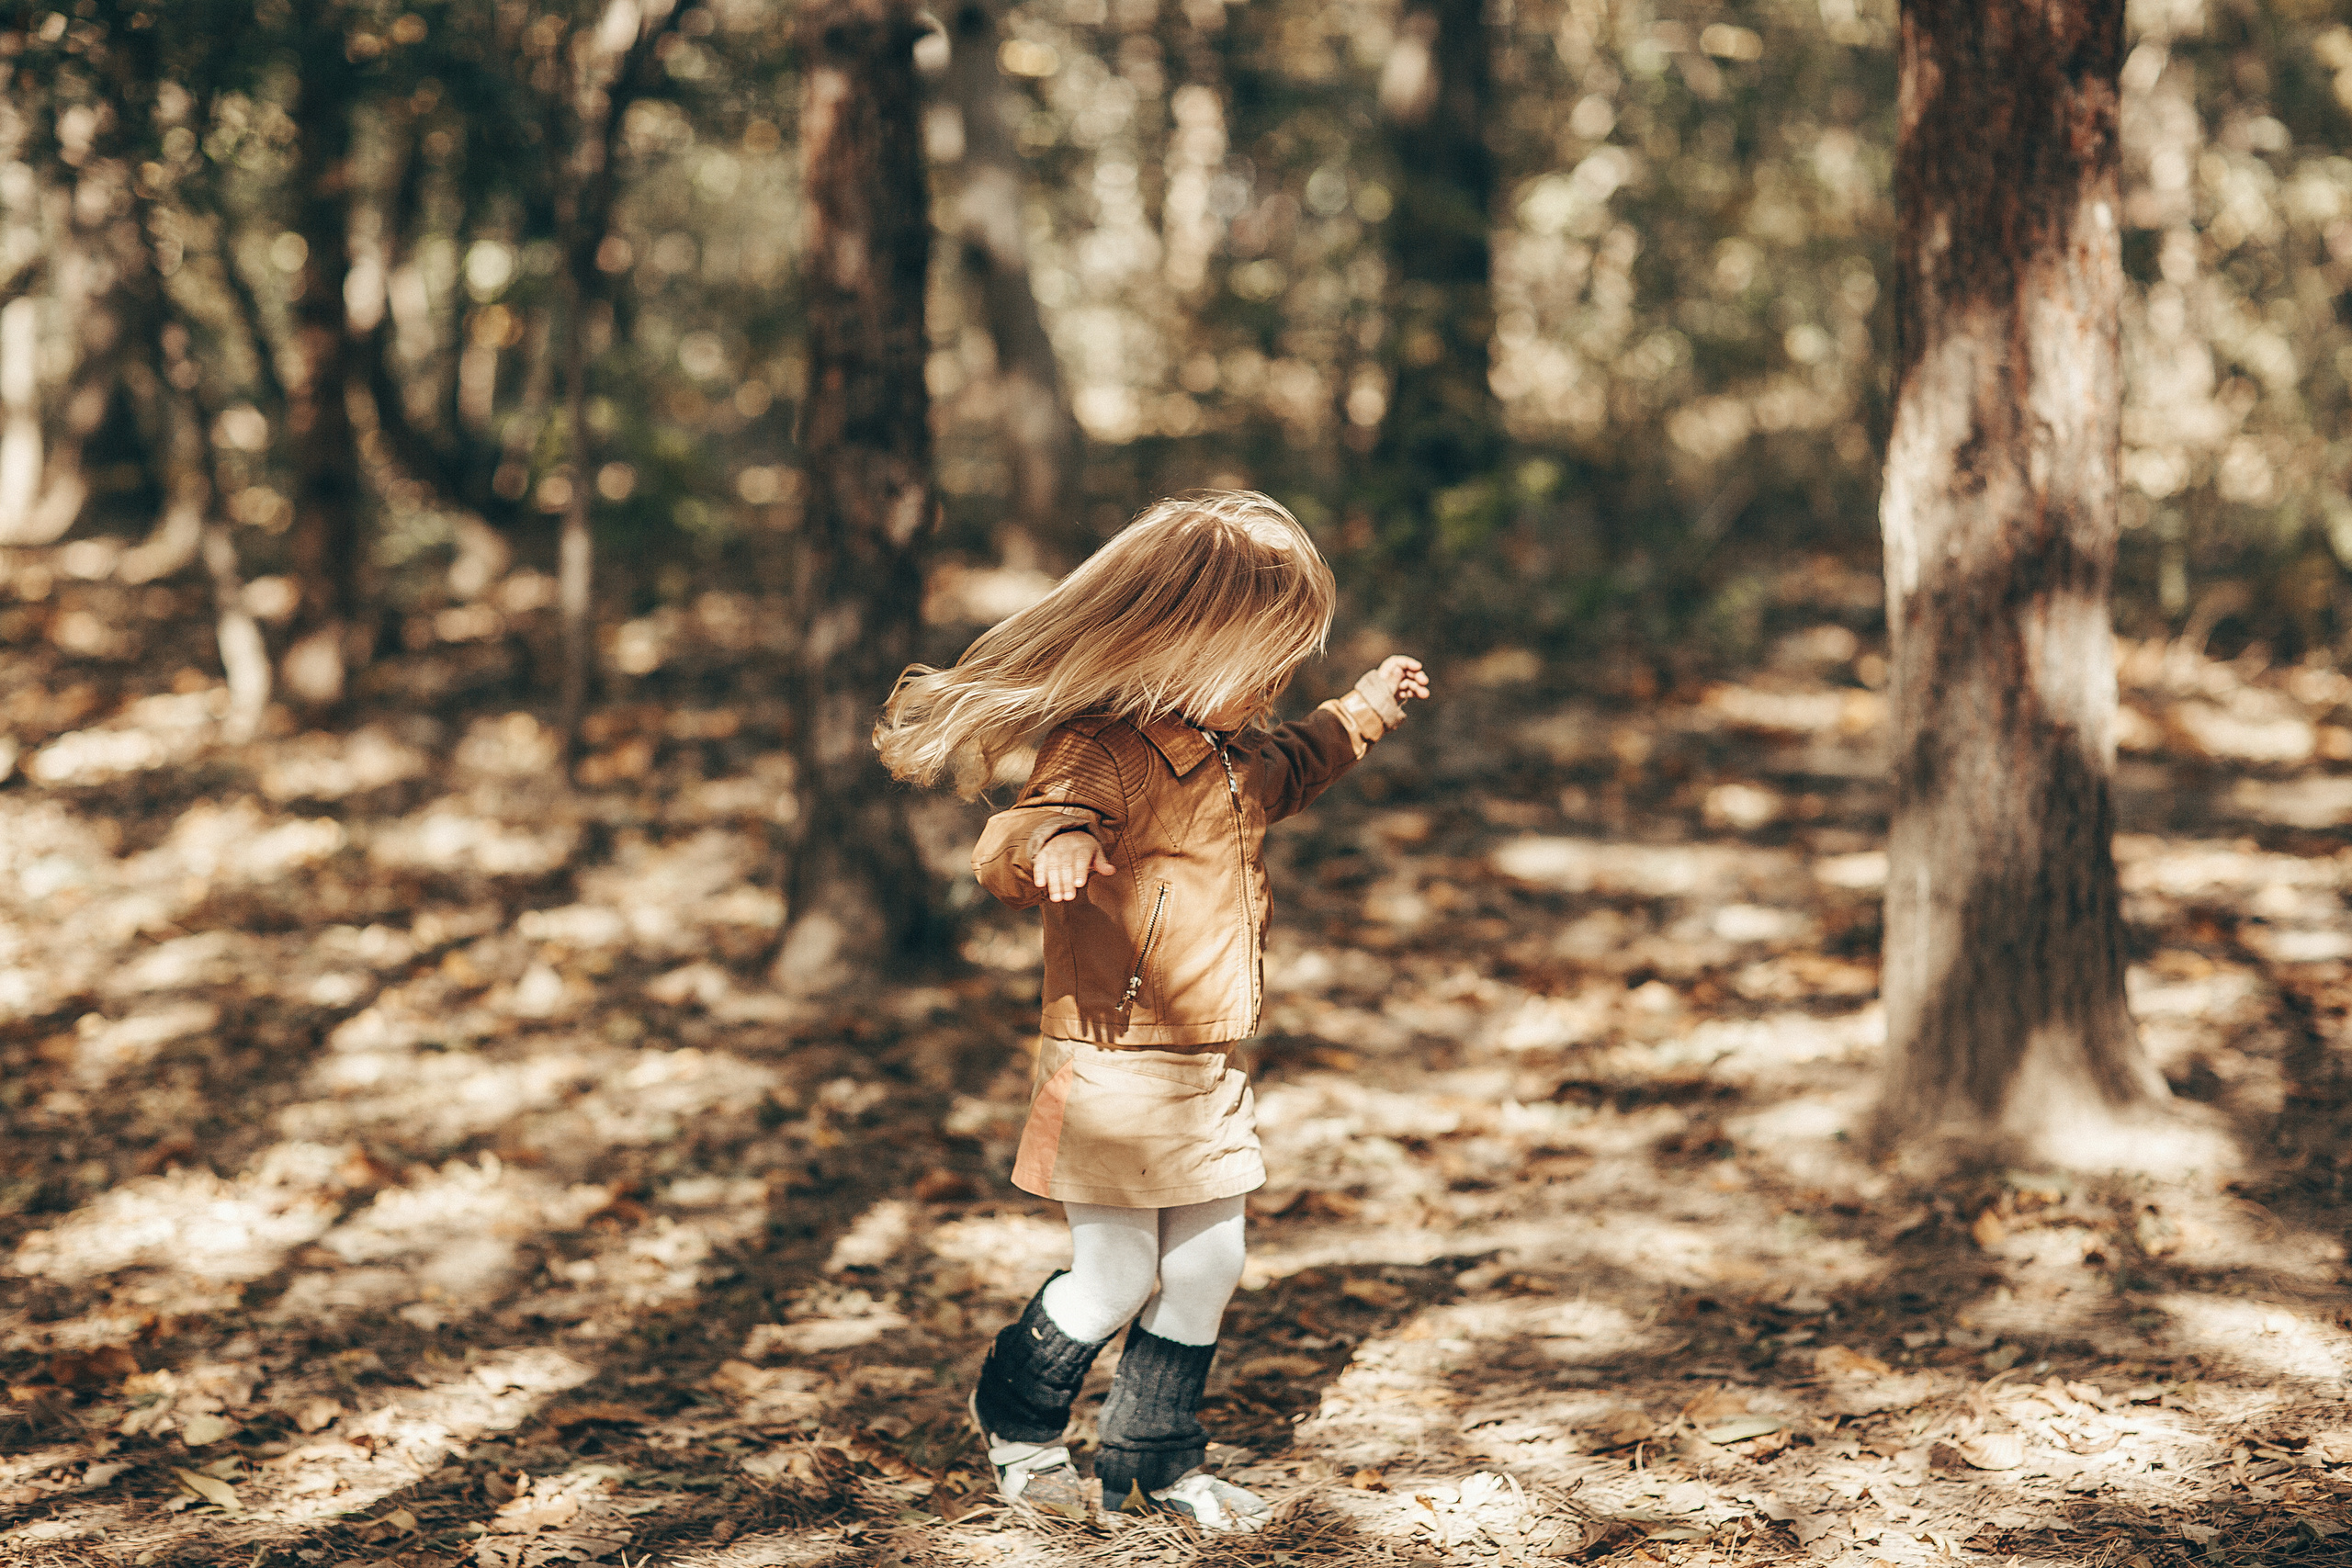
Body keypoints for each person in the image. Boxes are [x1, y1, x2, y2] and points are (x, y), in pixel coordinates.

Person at [876, 490, 1429, 1530]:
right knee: (1118, 1271)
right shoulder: (1106, 749)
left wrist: (1362, 709)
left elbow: (1301, 764)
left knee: (1212, 1261)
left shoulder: (1235, 753)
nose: (1277, 687)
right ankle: (1019, 1419)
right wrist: (1054, 847)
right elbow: (1020, 828)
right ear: (1189, 642)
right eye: (1267, 663)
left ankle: (1150, 1461)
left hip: (1206, 1059)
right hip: (1112, 1060)